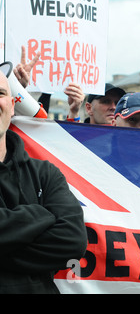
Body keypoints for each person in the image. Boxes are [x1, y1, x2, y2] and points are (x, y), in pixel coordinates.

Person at [0, 71, 87, 293]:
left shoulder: (46, 174)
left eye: (0, 93)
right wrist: (39, 214)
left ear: (12, 105)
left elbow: (72, 242)